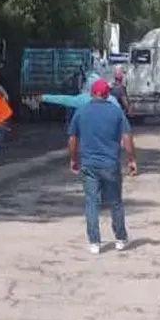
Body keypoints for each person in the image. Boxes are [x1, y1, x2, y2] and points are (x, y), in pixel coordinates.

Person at [67, 78, 137, 254]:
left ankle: (94, 242)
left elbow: (73, 138)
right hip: (110, 164)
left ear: (91, 93)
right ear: (107, 94)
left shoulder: (81, 112)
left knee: (91, 202)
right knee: (115, 202)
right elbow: (127, 137)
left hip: (89, 165)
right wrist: (131, 160)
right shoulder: (116, 112)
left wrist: (73, 159)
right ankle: (120, 238)